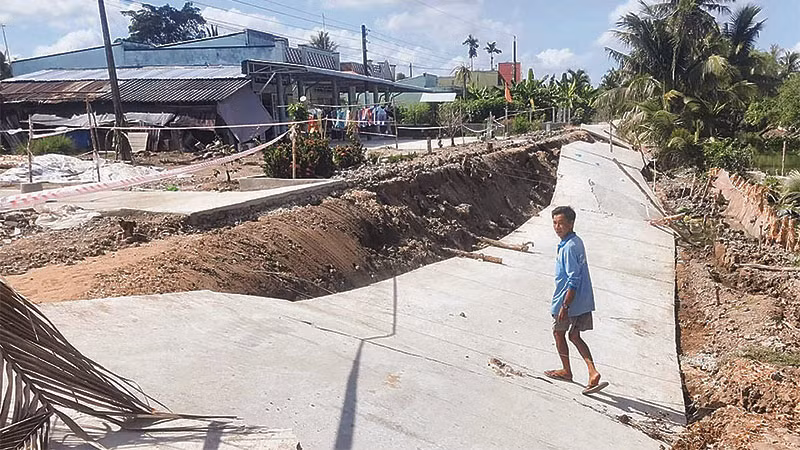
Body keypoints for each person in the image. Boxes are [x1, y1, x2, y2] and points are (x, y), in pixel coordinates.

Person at [544, 206, 607, 395]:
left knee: (558, 332)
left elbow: (573, 279)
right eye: (554, 223)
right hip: (583, 300)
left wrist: (565, 305)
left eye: (561, 223)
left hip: (569, 300)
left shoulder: (569, 247)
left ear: (571, 223)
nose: (557, 227)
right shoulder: (575, 242)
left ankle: (567, 371)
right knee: (574, 336)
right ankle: (592, 371)